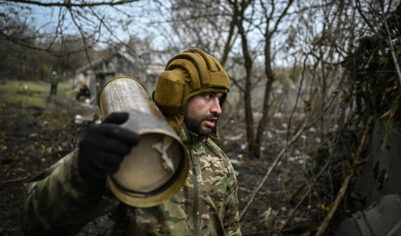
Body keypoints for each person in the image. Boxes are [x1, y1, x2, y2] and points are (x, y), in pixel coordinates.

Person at [20, 49, 242, 236]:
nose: (218, 109)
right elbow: (35, 222)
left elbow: (232, 228)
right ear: (176, 95)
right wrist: (81, 173)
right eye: (208, 96)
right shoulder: (130, 147)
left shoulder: (220, 163)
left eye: (220, 99)